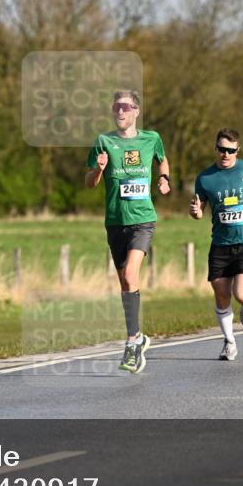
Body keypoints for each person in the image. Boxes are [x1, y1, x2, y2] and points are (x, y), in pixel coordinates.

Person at [85, 90, 171, 373]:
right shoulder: (103, 142)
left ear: (136, 111)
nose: (120, 111)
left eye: (125, 107)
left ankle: (132, 343)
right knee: (124, 282)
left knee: (131, 274)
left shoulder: (151, 138)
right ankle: (139, 335)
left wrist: (164, 179)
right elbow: (89, 183)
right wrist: (98, 170)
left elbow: (162, 159)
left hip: (143, 219)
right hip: (115, 221)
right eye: (116, 107)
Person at [189, 128, 243, 361]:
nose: (225, 154)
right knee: (221, 295)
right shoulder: (205, 178)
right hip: (220, 244)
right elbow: (199, 211)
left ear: (238, 150)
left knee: (242, 295)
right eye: (221, 149)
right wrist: (195, 212)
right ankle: (229, 342)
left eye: (231, 150)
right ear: (215, 149)